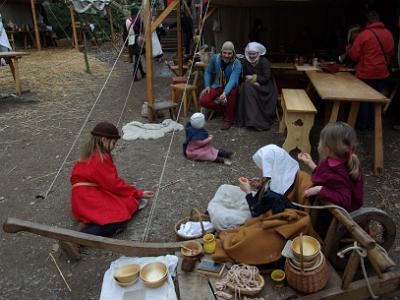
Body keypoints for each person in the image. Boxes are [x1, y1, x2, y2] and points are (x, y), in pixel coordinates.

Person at [60, 122, 154, 260]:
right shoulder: (101, 158)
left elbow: (107, 184)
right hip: (89, 197)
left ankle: (87, 221)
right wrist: (137, 193)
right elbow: (114, 185)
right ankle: (78, 239)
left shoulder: (89, 154)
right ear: (104, 140)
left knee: (122, 203)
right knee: (118, 220)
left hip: (81, 197)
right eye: (114, 142)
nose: (114, 146)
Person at [298, 122, 364, 212]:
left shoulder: (339, 173)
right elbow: (327, 177)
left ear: (327, 148)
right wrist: (310, 163)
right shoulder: (343, 160)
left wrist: (320, 190)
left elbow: (345, 200)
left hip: (339, 214)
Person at [348, 11, 394, 130]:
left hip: (365, 73)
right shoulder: (388, 33)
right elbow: (390, 52)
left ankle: (363, 125)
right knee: (377, 100)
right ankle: (374, 124)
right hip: (382, 73)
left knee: (364, 100)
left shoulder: (364, 35)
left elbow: (353, 55)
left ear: (367, 22)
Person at [200, 41, 242, 130]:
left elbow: (233, 80)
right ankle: (225, 108)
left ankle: (228, 119)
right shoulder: (215, 58)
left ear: (233, 53)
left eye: (229, 53)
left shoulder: (237, 63)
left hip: (231, 86)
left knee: (232, 93)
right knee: (204, 100)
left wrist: (224, 93)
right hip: (217, 85)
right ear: (221, 52)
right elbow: (208, 72)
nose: (227, 55)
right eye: (224, 52)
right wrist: (207, 85)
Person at [236, 42, 277, 131]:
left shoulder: (264, 61)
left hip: (264, 87)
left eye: (254, 54)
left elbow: (266, 77)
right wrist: (250, 80)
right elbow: (243, 75)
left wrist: (255, 79)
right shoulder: (246, 62)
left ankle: (254, 121)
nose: (251, 56)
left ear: (258, 53)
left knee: (247, 87)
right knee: (244, 87)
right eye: (250, 54)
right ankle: (246, 120)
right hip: (250, 85)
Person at [125, 7, 146, 81]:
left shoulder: (127, 20)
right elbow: (142, 30)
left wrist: (126, 45)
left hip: (130, 41)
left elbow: (125, 33)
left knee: (137, 57)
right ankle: (134, 73)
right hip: (137, 40)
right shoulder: (139, 20)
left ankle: (142, 73)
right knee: (137, 58)